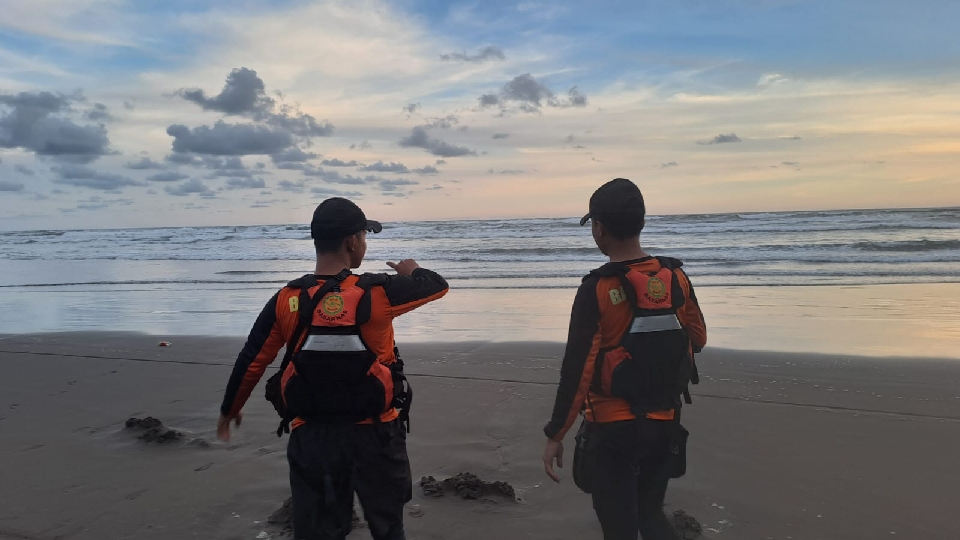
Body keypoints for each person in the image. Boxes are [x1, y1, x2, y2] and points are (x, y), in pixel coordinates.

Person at [217, 197, 449, 540]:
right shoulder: (380, 292)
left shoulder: (287, 298)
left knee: (318, 532)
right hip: (377, 435)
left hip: (312, 436)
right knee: (389, 528)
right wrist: (411, 270)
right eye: (364, 237)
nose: (364, 244)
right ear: (352, 241)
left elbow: (253, 360)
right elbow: (437, 285)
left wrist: (230, 408)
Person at [542, 178, 707, 540]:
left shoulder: (597, 288)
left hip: (612, 431)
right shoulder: (676, 277)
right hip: (664, 423)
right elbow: (698, 337)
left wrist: (556, 433)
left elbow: (578, 369)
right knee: (651, 515)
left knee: (619, 527)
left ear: (599, 228)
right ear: (641, 221)